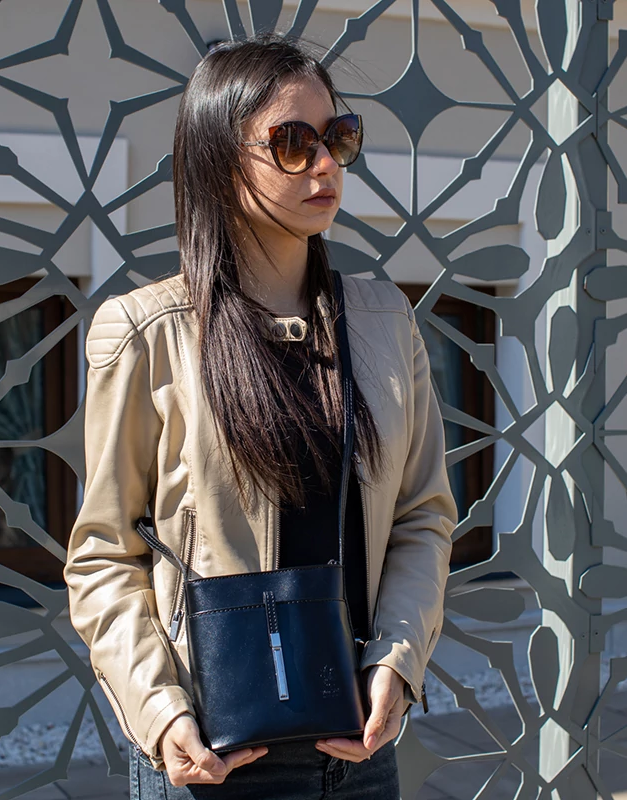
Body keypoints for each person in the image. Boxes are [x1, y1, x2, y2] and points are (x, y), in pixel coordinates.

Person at [64, 32, 457, 800]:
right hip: (215, 755)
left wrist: (398, 661)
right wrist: (160, 714)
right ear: (219, 158)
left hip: (359, 749)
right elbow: (104, 554)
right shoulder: (148, 334)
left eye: (338, 137)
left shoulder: (384, 320)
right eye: (292, 142)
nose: (325, 165)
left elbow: (422, 516)